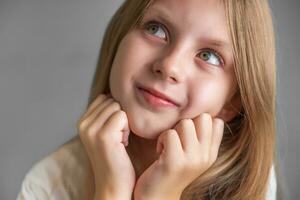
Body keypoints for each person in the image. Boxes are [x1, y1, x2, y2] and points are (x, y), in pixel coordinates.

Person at [17, 0, 279, 199]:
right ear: (119, 39)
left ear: (232, 104)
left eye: (209, 56)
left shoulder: (250, 184)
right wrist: (111, 190)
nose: (170, 66)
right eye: (157, 29)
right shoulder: (49, 185)